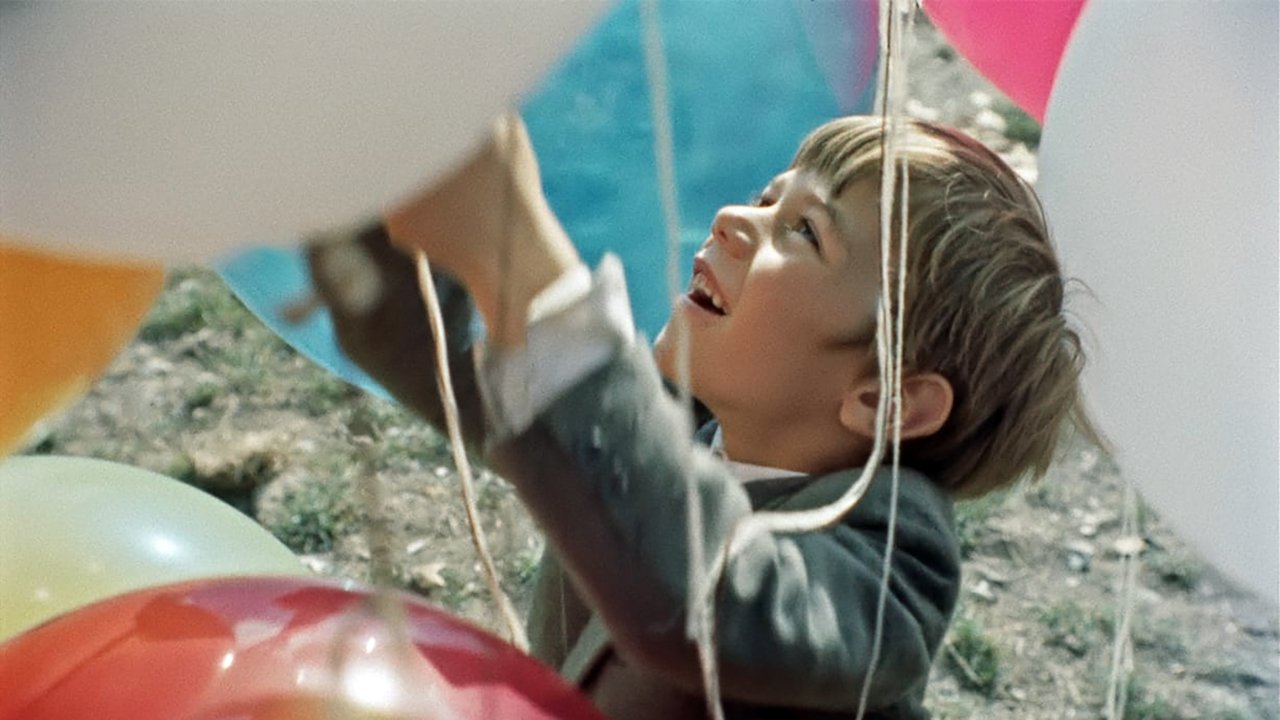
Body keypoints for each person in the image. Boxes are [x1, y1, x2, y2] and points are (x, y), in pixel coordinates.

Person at [306, 115, 1098, 719]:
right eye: (766, 195)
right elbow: (498, 387)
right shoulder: (678, 424)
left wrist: (534, 277)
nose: (731, 218)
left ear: (887, 397)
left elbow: (708, 601)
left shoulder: (892, 569)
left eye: (804, 230)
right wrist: (360, 227)